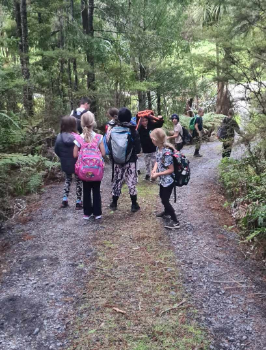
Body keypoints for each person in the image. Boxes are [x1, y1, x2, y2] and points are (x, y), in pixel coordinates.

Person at [73, 112, 105, 220]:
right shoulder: (98, 137)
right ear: (93, 123)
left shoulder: (79, 138)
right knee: (96, 190)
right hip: (96, 170)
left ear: (82, 123)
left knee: (86, 191)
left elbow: (74, 154)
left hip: (84, 171)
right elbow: (103, 153)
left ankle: (87, 213)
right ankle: (97, 213)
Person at [109, 107, 141, 212]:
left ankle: (114, 203)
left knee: (117, 180)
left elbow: (109, 145)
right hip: (130, 160)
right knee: (131, 181)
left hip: (117, 161)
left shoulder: (113, 129)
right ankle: (133, 204)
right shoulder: (132, 130)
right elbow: (138, 149)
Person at [150, 128, 180, 230]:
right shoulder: (158, 149)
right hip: (163, 180)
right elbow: (157, 161)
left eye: (152, 139)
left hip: (169, 181)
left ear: (156, 140)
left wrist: (157, 174)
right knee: (161, 196)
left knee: (165, 200)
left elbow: (171, 169)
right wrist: (154, 170)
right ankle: (166, 212)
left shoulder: (167, 152)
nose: (152, 141)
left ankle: (175, 221)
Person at [54, 116, 83, 209]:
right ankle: (78, 202)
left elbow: (56, 150)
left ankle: (64, 200)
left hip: (65, 163)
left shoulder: (59, 137)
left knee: (68, 180)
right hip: (77, 163)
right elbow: (82, 150)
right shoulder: (78, 137)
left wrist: (63, 157)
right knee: (79, 181)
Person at [138, 114, 164, 180]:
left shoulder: (151, 125)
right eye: (143, 121)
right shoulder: (140, 128)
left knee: (154, 163)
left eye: (146, 120)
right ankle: (147, 174)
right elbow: (136, 130)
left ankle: (153, 175)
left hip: (153, 148)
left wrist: (154, 117)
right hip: (145, 149)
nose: (144, 122)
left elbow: (160, 123)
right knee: (147, 163)